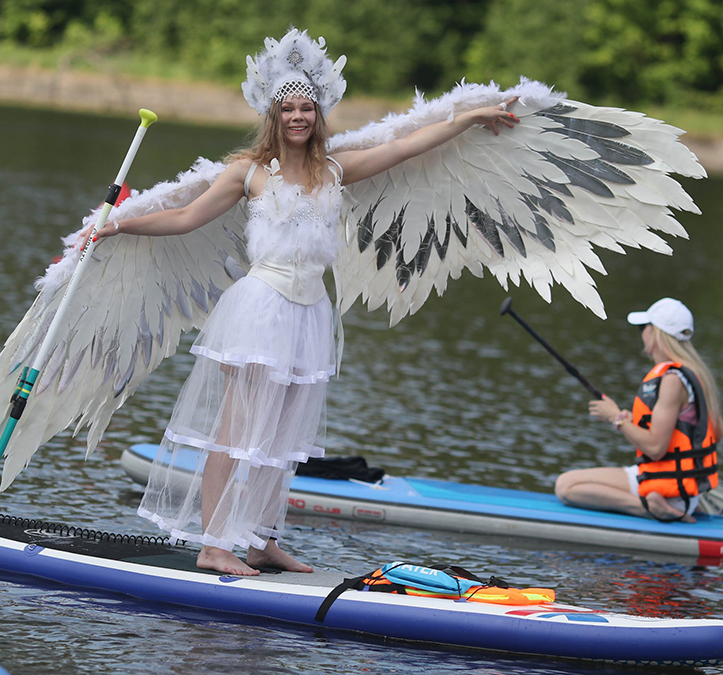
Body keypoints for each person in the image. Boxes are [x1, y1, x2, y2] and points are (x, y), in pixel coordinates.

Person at [93, 31, 519, 576]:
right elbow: (184, 218)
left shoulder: (335, 170)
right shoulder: (248, 172)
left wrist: (468, 118)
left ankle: (261, 540)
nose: (298, 116)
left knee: (285, 437)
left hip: (311, 309)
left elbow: (406, 146)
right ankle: (213, 543)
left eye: (306, 108)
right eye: (288, 108)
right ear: (274, 114)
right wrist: (118, 227)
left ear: (318, 114)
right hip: (262, 306)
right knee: (236, 430)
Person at [555, 298, 723, 523]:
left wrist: (616, 418)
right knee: (569, 482)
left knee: (566, 487)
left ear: (655, 334)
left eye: (643, 327)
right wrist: (632, 420)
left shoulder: (672, 381)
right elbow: (699, 432)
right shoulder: (693, 374)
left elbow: (655, 448)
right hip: (676, 482)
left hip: (669, 491)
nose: (641, 333)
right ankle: (686, 502)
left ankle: (649, 508)